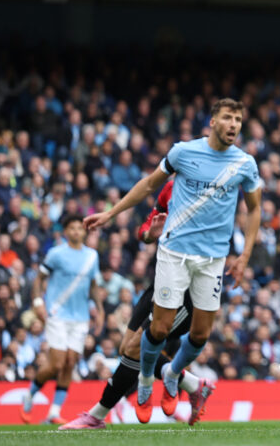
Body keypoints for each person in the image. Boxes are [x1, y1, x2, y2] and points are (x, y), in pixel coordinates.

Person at [85, 98, 262, 418]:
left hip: (212, 261)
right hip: (174, 255)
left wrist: (245, 255)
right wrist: (112, 214)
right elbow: (148, 189)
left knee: (200, 335)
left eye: (238, 119)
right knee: (145, 337)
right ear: (212, 121)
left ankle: (174, 377)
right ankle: (141, 385)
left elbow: (255, 209)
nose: (234, 124)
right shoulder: (183, 153)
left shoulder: (245, 164)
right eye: (227, 117)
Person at [60, 180, 215, 429]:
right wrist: (149, 234)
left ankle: (96, 416)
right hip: (161, 279)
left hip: (187, 287)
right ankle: (193, 384)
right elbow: (147, 226)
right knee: (127, 348)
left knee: (134, 349)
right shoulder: (172, 186)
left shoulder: (214, 192)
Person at [21, 215, 105, 424]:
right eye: (72, 228)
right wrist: (38, 302)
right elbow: (39, 279)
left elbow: (93, 285)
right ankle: (30, 395)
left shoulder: (92, 256)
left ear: (85, 232)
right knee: (56, 364)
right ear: (65, 231)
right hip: (57, 313)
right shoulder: (56, 254)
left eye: (80, 228)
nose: (77, 231)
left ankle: (53, 413)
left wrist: (100, 310)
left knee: (69, 363)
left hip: (80, 317)